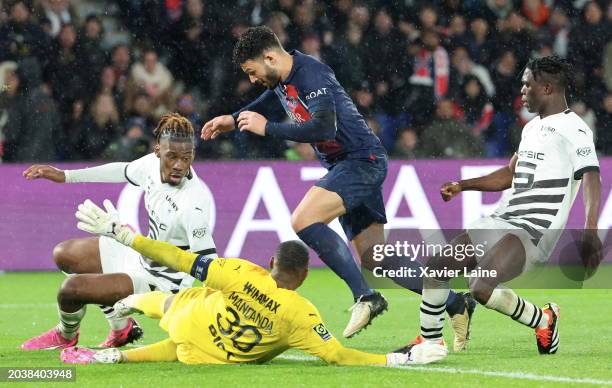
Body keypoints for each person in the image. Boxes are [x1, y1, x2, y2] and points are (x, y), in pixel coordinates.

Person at [201, 26, 474, 343]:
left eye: (252, 72)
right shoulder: (284, 77)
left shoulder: (311, 75)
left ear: (270, 57)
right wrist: (234, 119)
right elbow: (269, 97)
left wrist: (268, 128)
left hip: (360, 162)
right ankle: (456, 302)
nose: (251, 80)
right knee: (377, 258)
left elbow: (324, 127)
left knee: (303, 220)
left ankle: (366, 297)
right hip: (351, 164)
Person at [59, 200, 447, 366]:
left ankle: (128, 310)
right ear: (306, 276)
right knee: (175, 347)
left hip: (191, 322)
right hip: (212, 356)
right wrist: (400, 357)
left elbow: (179, 258)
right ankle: (119, 354)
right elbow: (337, 356)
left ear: (271, 262)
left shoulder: (240, 272)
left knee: (174, 301)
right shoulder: (301, 313)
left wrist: (126, 236)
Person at [401, 56, 601, 358]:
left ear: (546, 88)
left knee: (480, 287)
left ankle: (544, 319)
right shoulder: (532, 127)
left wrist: (590, 231)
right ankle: (430, 342)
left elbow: (591, 177)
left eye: (527, 84)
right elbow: (510, 174)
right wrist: (462, 185)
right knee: (437, 267)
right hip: (502, 218)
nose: (522, 90)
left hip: (532, 230)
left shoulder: (575, 128)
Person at [20, 113, 217, 350]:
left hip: (160, 283)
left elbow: (210, 266)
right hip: (139, 255)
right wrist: (66, 176)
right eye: (171, 157)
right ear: (157, 151)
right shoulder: (150, 166)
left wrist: (214, 315)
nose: (178, 165)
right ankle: (121, 328)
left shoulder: (193, 204)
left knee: (70, 291)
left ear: (193, 155)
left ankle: (66, 334)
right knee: (64, 254)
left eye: (186, 158)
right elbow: (122, 170)